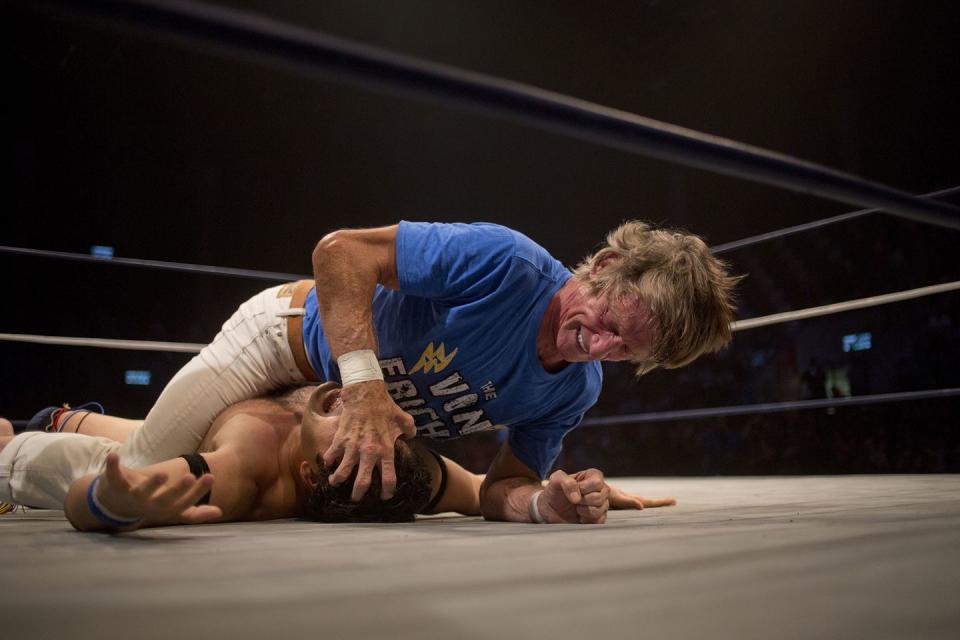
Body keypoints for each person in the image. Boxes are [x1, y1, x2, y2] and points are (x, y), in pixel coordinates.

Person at [0, 220, 736, 522]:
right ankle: (13, 458)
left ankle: (60, 422)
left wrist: (550, 504)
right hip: (283, 344)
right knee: (142, 471)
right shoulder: (506, 265)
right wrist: (365, 387)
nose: (598, 348)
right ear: (604, 268)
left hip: (323, 410)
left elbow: (504, 484)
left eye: (625, 352)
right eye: (607, 324)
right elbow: (338, 253)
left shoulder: (574, 387)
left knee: (187, 459)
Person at [0, 386, 673, 531]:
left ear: (306, 473)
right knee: (146, 429)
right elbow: (493, 493)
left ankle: (28, 438)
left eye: (349, 438)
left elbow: (137, 482)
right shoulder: (418, 476)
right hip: (141, 418)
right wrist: (553, 499)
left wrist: (111, 502)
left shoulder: (253, 466)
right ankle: (66, 414)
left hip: (61, 453)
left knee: (24, 452)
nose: (373, 430)